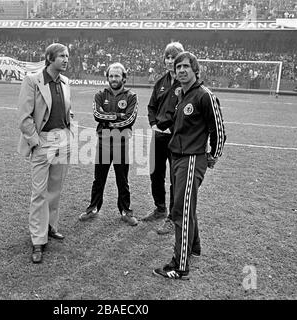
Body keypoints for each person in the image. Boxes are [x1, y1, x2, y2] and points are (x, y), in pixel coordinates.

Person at [153, 51, 226, 279]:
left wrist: (213, 155)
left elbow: (219, 131)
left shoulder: (204, 95)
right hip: (177, 157)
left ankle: (180, 266)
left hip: (192, 158)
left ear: (196, 70)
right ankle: (194, 247)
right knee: (186, 206)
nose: (182, 70)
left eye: (186, 66)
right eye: (178, 67)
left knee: (180, 211)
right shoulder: (182, 96)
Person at [17, 43, 73, 264]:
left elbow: (66, 110)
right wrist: (36, 141)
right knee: (39, 192)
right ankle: (38, 240)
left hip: (62, 141)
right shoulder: (32, 81)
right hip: (43, 142)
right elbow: (24, 116)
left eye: (68, 56)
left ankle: (50, 227)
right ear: (50, 58)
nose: (66, 59)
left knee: (55, 190)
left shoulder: (66, 82)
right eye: (62, 56)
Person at [79, 62, 139, 226]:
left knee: (122, 179)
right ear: (107, 78)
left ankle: (126, 211)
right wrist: (117, 116)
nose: (113, 79)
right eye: (111, 76)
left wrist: (109, 119)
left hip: (121, 143)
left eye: (117, 76)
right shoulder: (100, 94)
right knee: (98, 178)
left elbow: (129, 119)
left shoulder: (131, 96)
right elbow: (97, 115)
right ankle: (93, 208)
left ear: (123, 78)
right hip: (103, 141)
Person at [142, 42, 184, 235]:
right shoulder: (161, 82)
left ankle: (172, 218)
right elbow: (151, 107)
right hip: (158, 137)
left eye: (173, 57)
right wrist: (153, 124)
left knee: (176, 179)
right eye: (167, 57)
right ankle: (160, 208)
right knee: (155, 174)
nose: (169, 61)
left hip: (176, 139)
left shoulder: (186, 83)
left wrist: (173, 129)